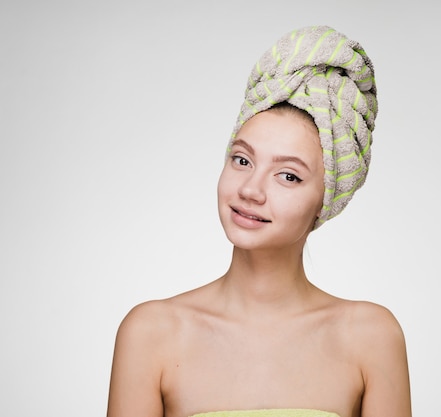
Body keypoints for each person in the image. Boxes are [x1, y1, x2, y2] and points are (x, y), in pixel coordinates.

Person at [106, 25, 411, 417]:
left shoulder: (371, 336)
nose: (251, 189)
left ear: (327, 198)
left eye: (288, 176)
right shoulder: (151, 333)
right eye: (243, 160)